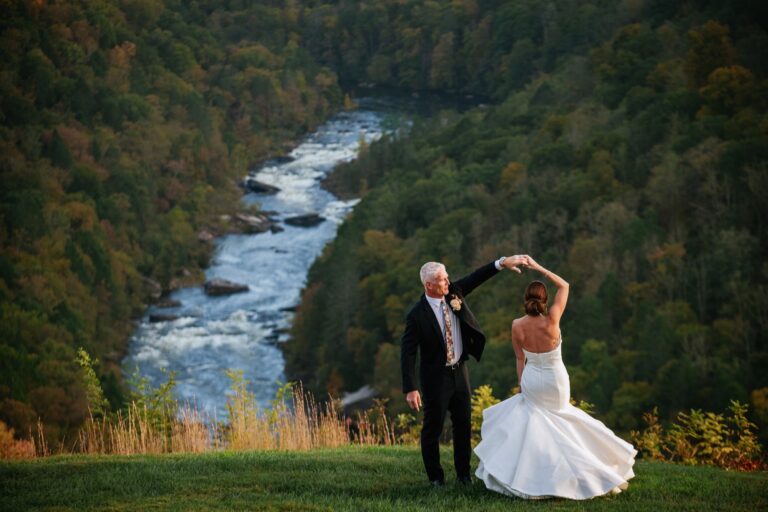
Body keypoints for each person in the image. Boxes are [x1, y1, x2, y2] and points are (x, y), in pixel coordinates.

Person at [474, 256, 637, 499]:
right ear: (545, 300)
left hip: (531, 380)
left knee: (535, 427)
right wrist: (538, 267)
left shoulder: (517, 325)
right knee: (563, 421)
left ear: (525, 301)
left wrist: (521, 385)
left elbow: (520, 359)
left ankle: (531, 477)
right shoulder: (552, 320)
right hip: (555, 381)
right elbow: (565, 286)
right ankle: (575, 472)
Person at [401, 255, 527, 487]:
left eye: (447, 277)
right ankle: (436, 478)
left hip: (460, 371)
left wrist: (502, 263)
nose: (447, 282)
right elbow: (408, 353)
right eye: (441, 280)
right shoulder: (416, 315)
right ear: (428, 285)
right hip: (435, 379)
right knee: (433, 428)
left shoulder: (453, 293)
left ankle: (463, 475)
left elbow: (476, 277)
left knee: (463, 425)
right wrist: (410, 388)